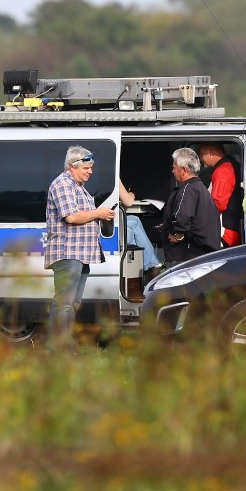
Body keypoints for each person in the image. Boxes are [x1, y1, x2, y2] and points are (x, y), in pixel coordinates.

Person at [44, 146, 115, 351]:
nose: (90, 171)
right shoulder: (63, 184)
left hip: (80, 253)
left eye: (91, 167)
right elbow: (72, 217)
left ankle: (64, 344)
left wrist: (100, 215)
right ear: (72, 166)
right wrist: (99, 213)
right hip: (68, 252)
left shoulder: (78, 186)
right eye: (86, 167)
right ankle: (57, 346)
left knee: (72, 303)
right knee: (64, 303)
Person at [161, 147, 221, 265]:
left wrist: (177, 235)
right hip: (204, 253)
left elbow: (182, 217)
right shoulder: (200, 188)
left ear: (184, 169)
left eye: (174, 167)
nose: (173, 171)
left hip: (189, 255)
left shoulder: (187, 188)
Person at [198, 143, 243, 247]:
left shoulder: (223, 170)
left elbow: (218, 204)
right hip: (234, 229)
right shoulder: (233, 165)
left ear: (211, 153)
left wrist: (197, 216)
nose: (200, 158)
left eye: (201, 154)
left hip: (226, 233)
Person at [118, 180, 164, 279]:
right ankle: (152, 266)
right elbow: (128, 202)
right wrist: (129, 194)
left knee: (133, 236)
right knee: (135, 221)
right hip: (109, 230)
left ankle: (141, 274)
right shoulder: (112, 173)